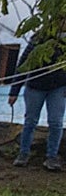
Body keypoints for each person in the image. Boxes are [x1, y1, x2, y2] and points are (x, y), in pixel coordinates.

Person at [9, 27, 66, 171]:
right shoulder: (37, 40)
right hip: (35, 87)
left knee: (56, 122)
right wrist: (14, 91)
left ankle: (52, 157)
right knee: (30, 121)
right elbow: (22, 65)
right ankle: (24, 154)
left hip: (58, 87)